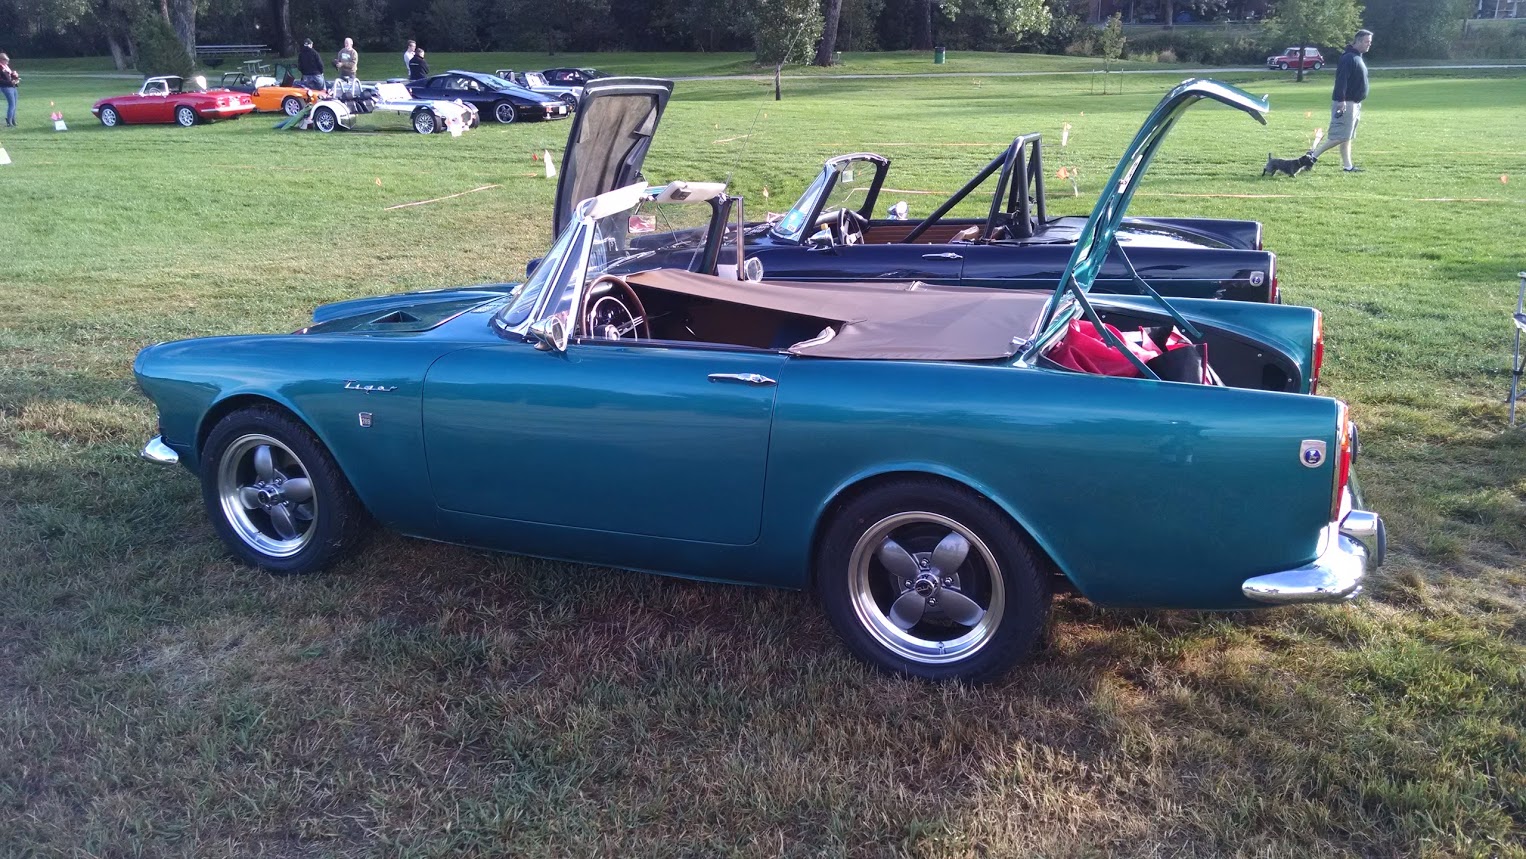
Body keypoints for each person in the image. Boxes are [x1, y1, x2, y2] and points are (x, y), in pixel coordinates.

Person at [1309, 29, 1374, 173]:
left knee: (1347, 137)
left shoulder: (1357, 57)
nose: (1369, 44)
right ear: (1357, 41)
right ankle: (1312, 157)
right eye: (1366, 41)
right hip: (1347, 103)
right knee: (1340, 136)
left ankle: (1348, 166)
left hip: (1355, 103)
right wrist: (1341, 100)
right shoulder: (1348, 58)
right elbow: (1341, 80)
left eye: (1370, 42)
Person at [0, 53, 19, 128]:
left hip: (13, 86)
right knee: (12, 105)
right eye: (6, 60)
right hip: (6, 87)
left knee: (15, 104)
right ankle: (9, 122)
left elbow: (10, 76)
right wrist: (10, 82)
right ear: (1, 59)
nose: (7, 62)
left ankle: (13, 120)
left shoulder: (5, 66)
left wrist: (15, 76)